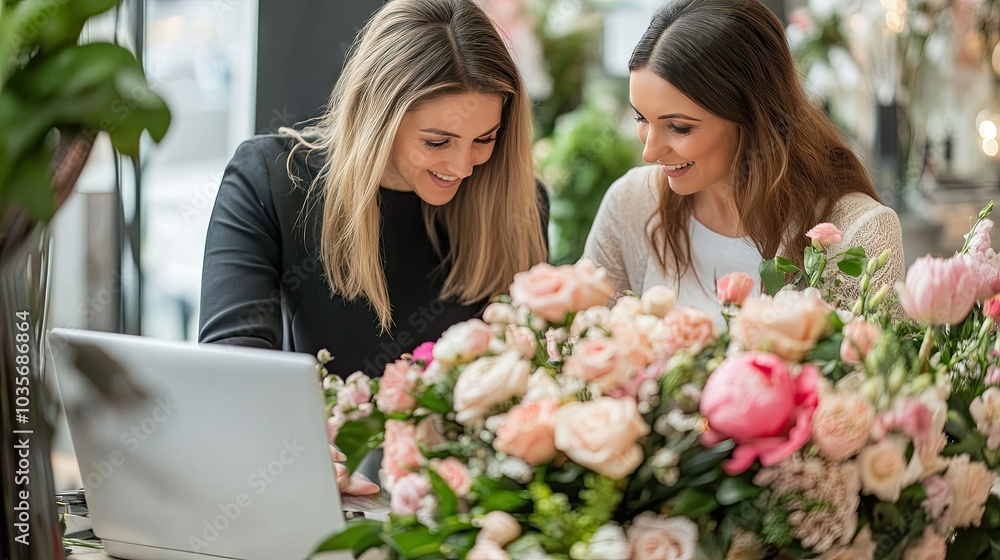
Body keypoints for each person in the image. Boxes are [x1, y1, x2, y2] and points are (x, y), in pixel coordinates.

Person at [199, 0, 549, 381]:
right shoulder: (271, 180)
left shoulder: (519, 202)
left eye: (485, 139)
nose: (463, 167)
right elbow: (231, 372)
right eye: (437, 142)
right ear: (378, 115)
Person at [583, 0, 904, 317]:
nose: (649, 152)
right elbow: (582, 340)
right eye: (641, 117)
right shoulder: (630, 205)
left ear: (754, 117)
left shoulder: (858, 235)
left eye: (679, 127)